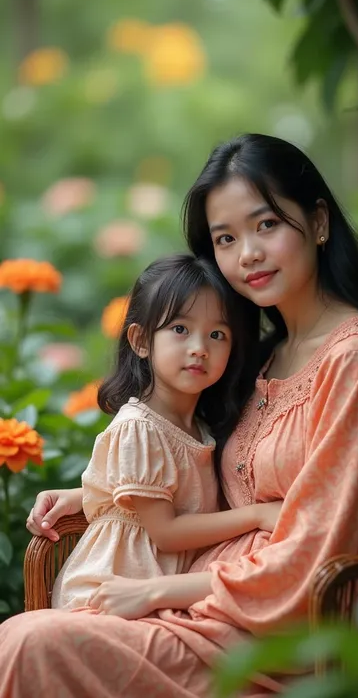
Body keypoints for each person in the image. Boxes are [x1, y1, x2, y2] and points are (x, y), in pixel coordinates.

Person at [1, 134, 358, 697]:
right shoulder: (261, 355)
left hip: (283, 639)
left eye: (266, 225)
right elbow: (203, 485)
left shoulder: (355, 362)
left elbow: (316, 553)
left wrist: (156, 594)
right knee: (23, 639)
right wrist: (101, 493)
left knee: (29, 644)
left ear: (318, 222)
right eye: (226, 238)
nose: (246, 253)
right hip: (207, 612)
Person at [51, 253, 281, 610]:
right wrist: (257, 515)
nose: (199, 349)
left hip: (159, 593)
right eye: (180, 329)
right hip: (107, 593)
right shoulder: (139, 428)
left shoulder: (202, 428)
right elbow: (167, 533)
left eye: (217, 334)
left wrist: (79, 493)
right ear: (141, 341)